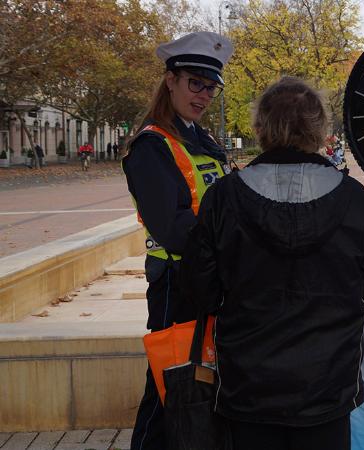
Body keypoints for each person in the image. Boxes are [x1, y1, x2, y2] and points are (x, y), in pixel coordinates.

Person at [180, 76, 364, 450]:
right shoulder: (353, 198)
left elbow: (200, 288)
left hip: (249, 384)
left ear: (260, 128)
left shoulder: (223, 198)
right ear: (319, 129)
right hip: (327, 384)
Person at [121, 31, 233, 450]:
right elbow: (172, 226)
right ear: (170, 80)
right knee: (168, 391)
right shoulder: (151, 147)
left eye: (210, 87)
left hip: (207, 280)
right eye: (194, 83)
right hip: (176, 282)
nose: (203, 95)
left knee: (195, 392)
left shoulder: (201, 139)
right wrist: (231, 239)